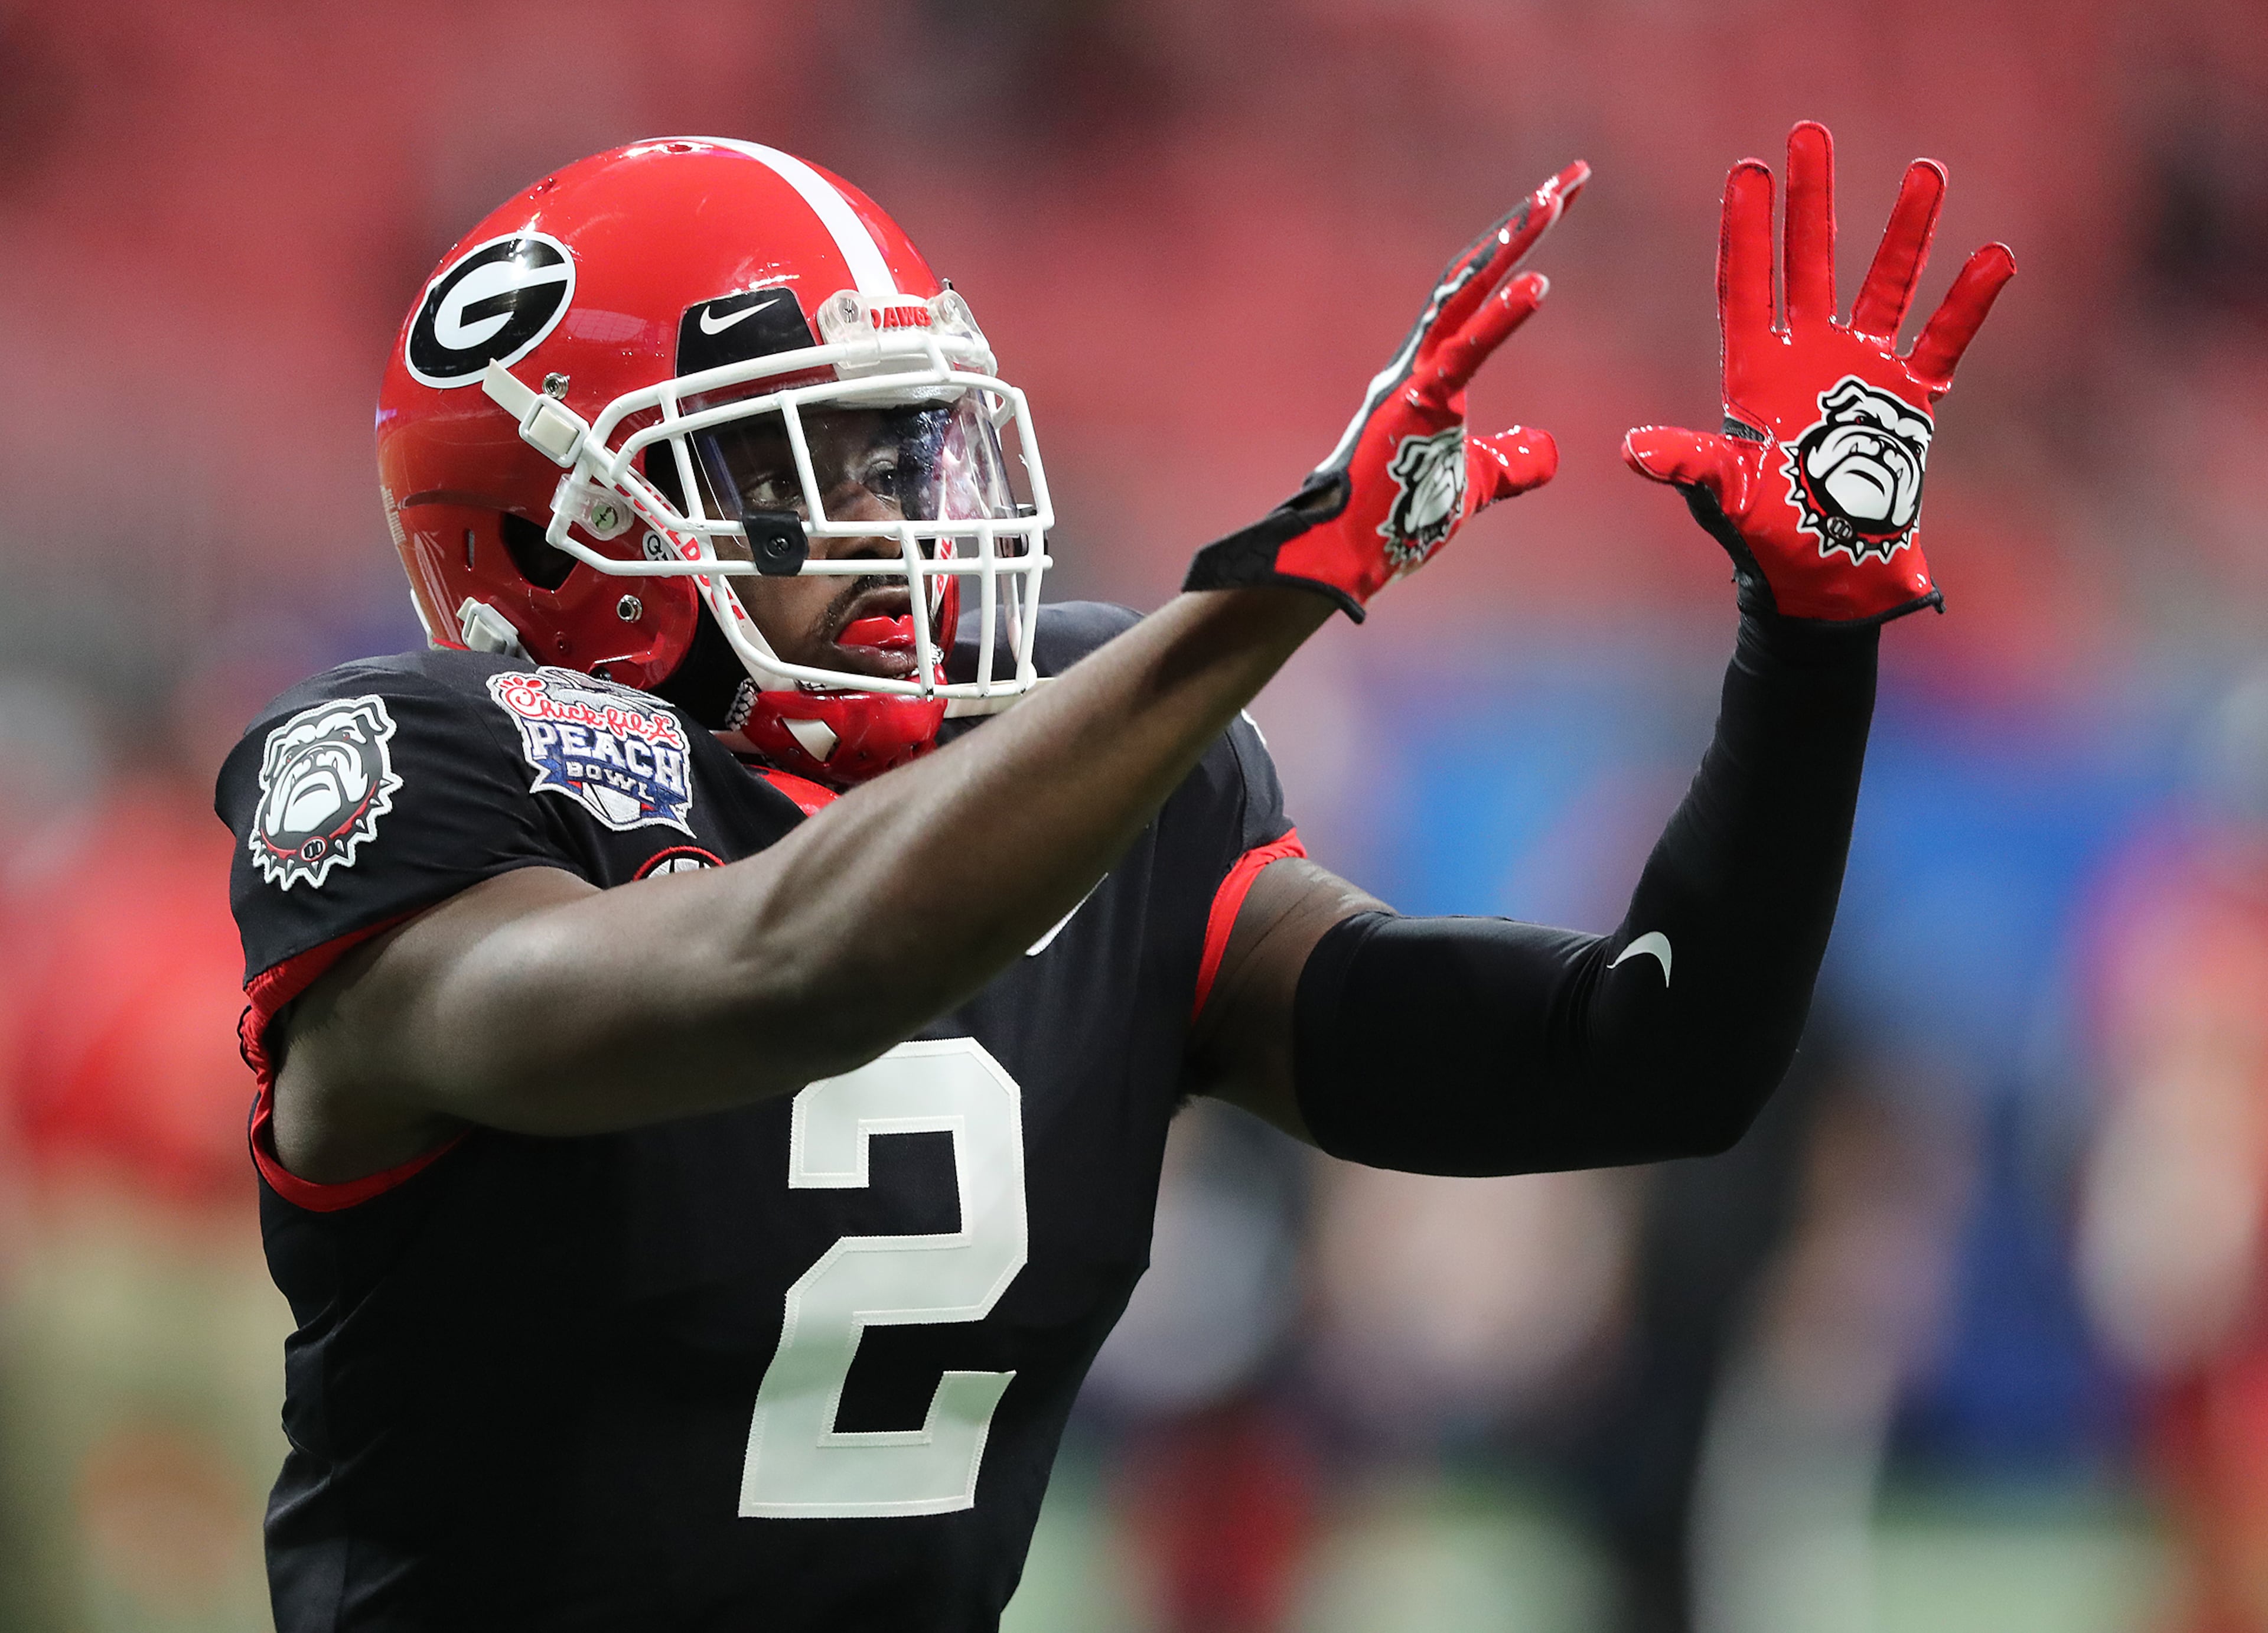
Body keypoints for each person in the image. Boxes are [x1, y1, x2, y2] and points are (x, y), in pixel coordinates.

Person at [217, 126, 2011, 1629]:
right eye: (805, 472)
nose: (910, 525)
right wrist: (1267, 597)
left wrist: (1814, 639)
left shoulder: (1098, 783)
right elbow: (790, 967)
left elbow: (1650, 1061)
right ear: (559, 541)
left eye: (907, 451)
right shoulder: (433, 780)